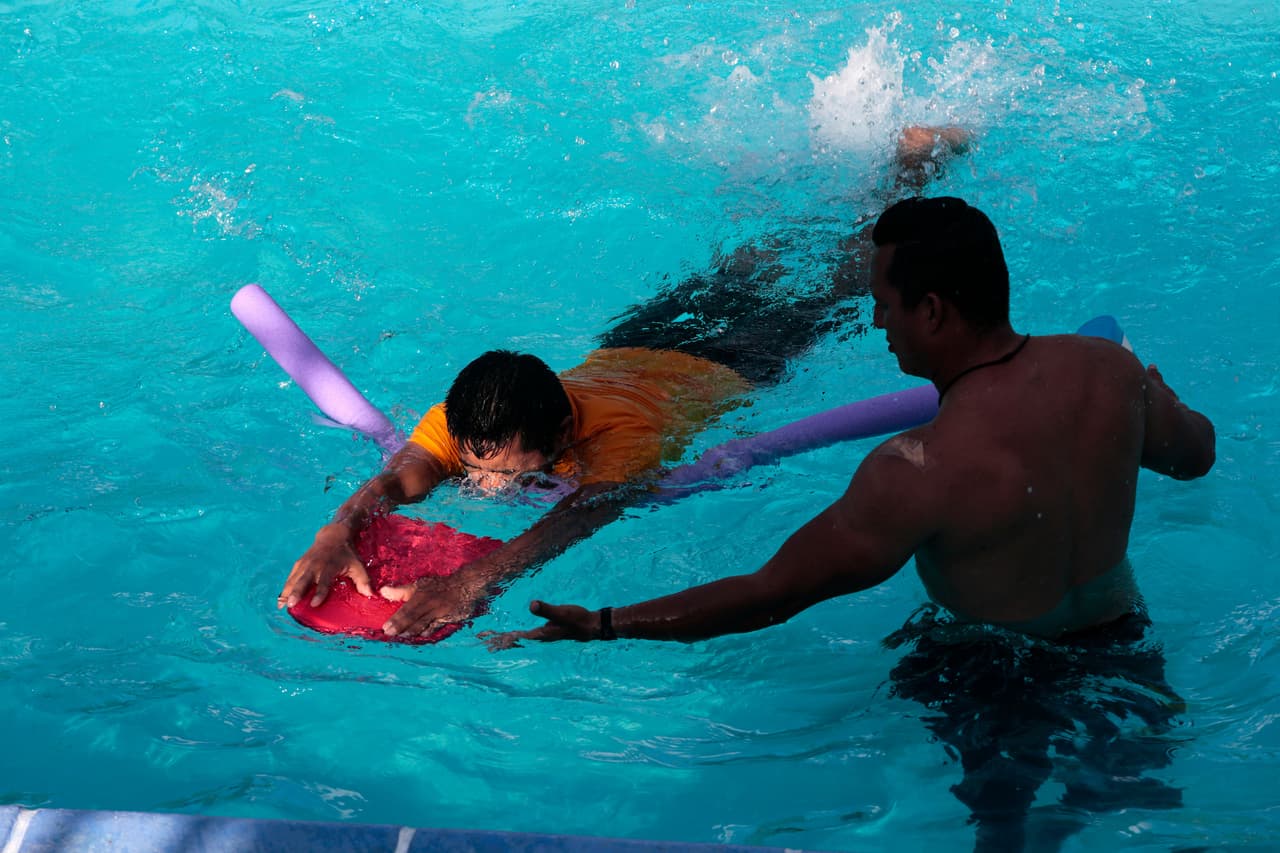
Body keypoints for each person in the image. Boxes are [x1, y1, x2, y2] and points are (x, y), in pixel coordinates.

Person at [484, 196, 1215, 850]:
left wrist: (605, 623)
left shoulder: (918, 468)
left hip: (991, 668)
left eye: (885, 305)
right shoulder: (1109, 371)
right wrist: (1156, 395)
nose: (876, 323)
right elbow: (1195, 457)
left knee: (1002, 827)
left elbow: (772, 593)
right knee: (1137, 799)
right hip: (1122, 644)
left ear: (933, 311)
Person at [278, 127, 973, 640]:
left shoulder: (623, 439)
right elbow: (398, 480)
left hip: (735, 361)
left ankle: (914, 166)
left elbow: (579, 517)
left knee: (844, 273)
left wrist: (470, 582)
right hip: (641, 338)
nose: (485, 485)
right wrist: (337, 530)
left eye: (512, 472)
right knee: (751, 265)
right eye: (476, 466)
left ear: (564, 433)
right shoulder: (476, 417)